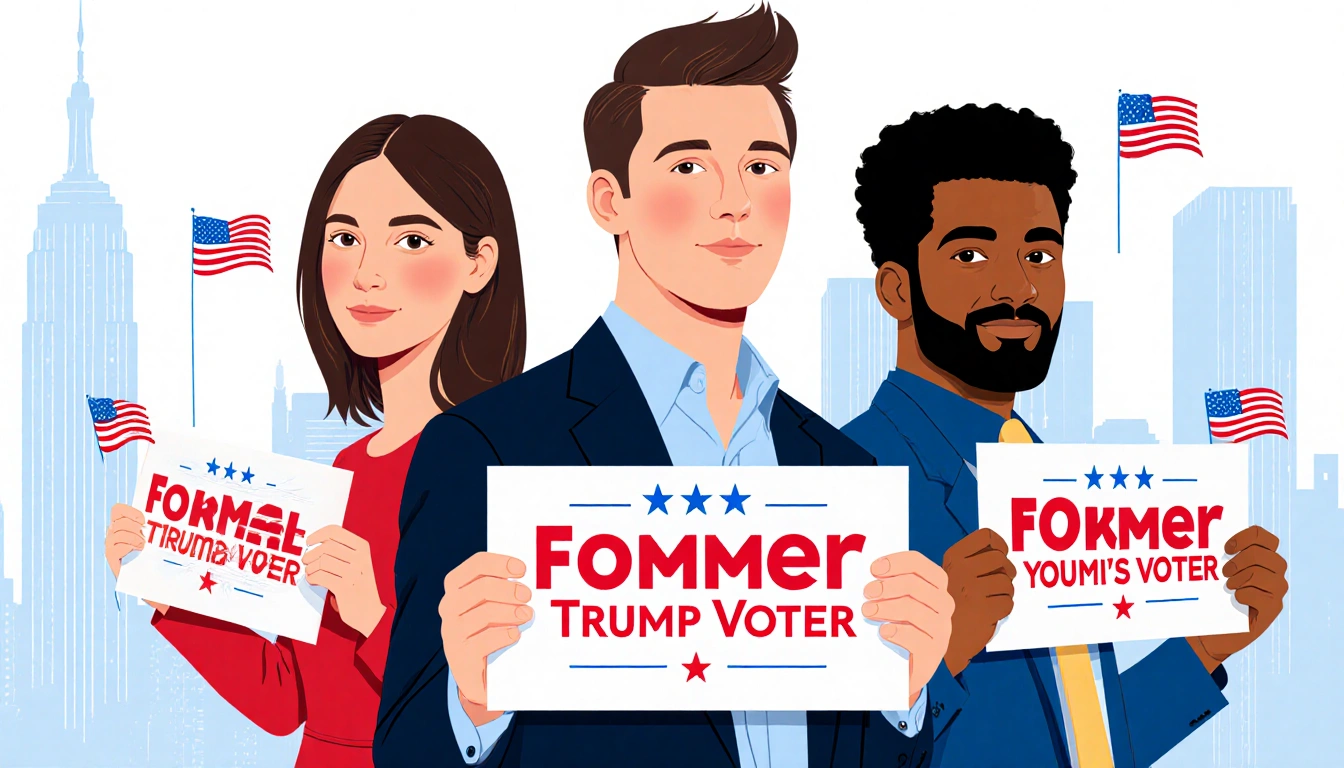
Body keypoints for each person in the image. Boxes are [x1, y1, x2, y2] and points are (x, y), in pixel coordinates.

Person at [375, 7, 952, 768]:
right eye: (688, 166)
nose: (735, 201)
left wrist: (904, 695)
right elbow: (406, 749)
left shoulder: (841, 470)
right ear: (608, 200)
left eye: (762, 166)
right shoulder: (488, 450)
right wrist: (473, 705)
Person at [840, 103, 1289, 767]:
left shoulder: (1044, 474)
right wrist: (943, 653)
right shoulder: (843, 482)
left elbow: (1081, 742)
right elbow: (813, 746)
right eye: (971, 254)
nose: (1018, 287)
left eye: (1039, 254)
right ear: (896, 290)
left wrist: (1202, 650)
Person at [102, 114, 527, 767]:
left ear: (479, 263)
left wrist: (372, 615)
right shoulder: (348, 468)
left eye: (411, 240)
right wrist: (169, 596)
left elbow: (503, 704)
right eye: (345, 238)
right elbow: (285, 699)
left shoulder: (501, 464)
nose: (366, 273)